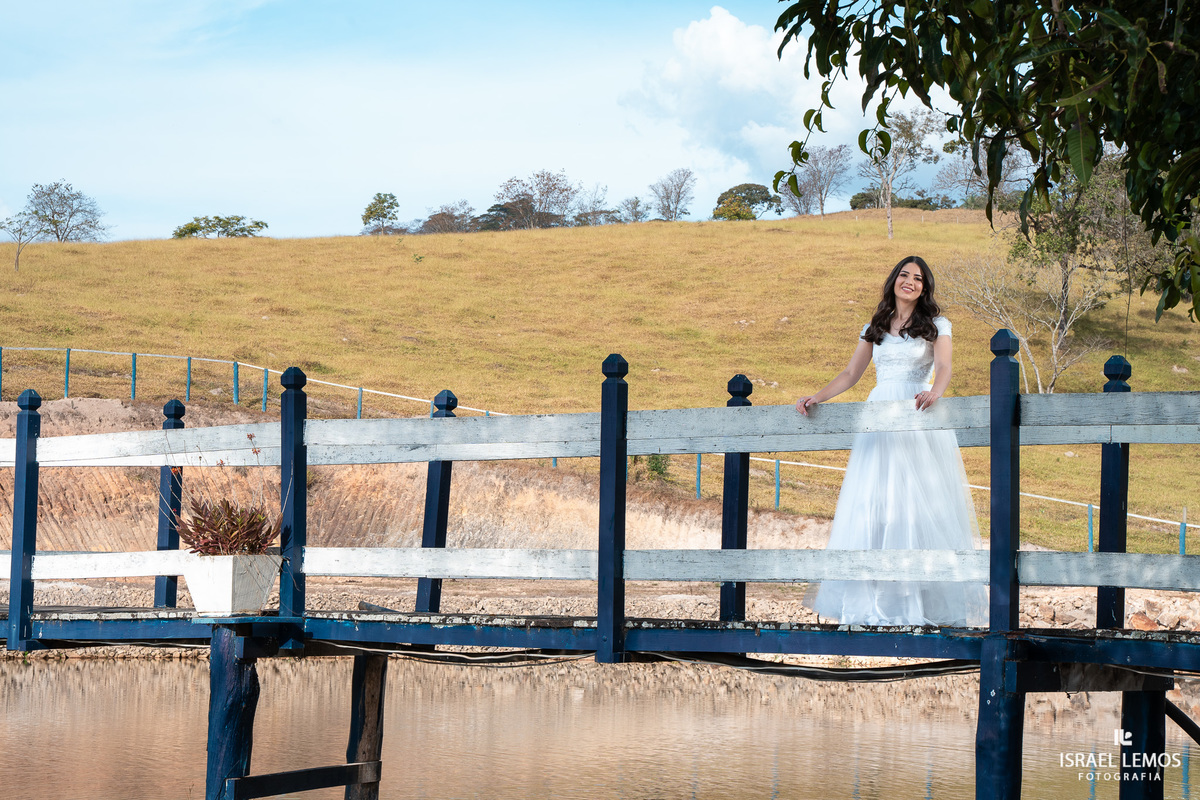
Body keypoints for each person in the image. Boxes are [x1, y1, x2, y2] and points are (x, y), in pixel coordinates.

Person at [795, 255, 986, 627]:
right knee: (873, 500)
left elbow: (944, 366)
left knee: (914, 504)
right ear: (894, 281)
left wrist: (937, 391)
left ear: (925, 287)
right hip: (879, 414)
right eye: (904, 275)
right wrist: (817, 396)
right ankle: (868, 604)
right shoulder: (875, 326)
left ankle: (912, 604)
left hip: (916, 410)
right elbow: (852, 372)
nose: (910, 282)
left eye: (917, 278)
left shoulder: (937, 324)